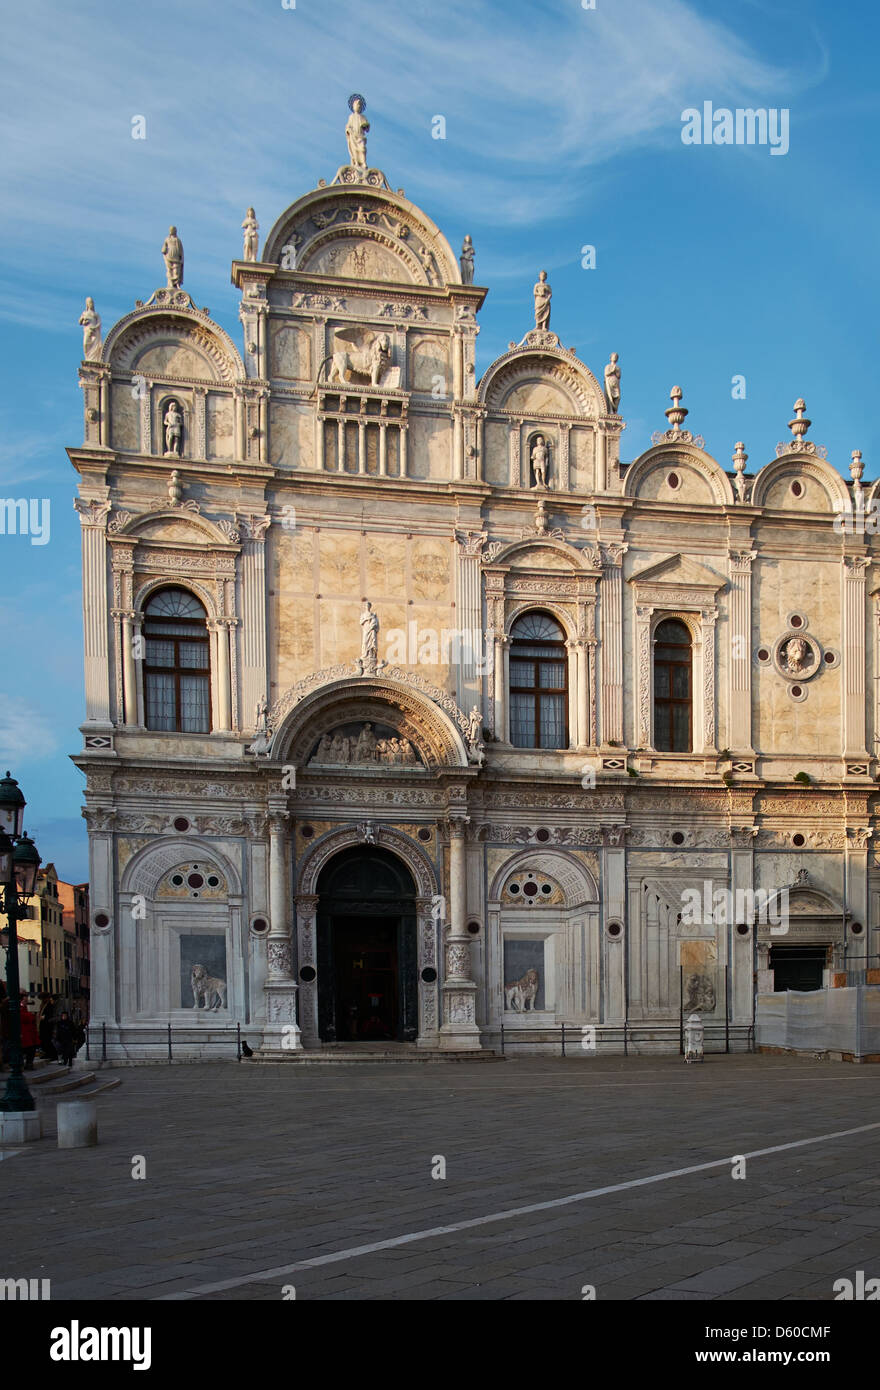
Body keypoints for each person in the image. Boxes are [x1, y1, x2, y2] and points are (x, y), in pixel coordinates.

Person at [19, 997, 38, 1069]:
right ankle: (28, 1064)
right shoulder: (20, 1007)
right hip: (25, 1032)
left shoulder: (24, 1007)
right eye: (25, 999)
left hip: (29, 1032)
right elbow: (24, 1017)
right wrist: (31, 1015)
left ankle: (29, 1063)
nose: (26, 1000)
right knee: (28, 1049)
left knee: (31, 1049)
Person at [38, 995, 57, 1060]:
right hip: (43, 1026)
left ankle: (53, 1055)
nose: (42, 1000)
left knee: (47, 1041)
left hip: (47, 1027)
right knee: (44, 1041)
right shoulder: (43, 1005)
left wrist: (44, 1017)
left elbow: (50, 1015)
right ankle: (47, 1054)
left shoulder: (49, 1006)